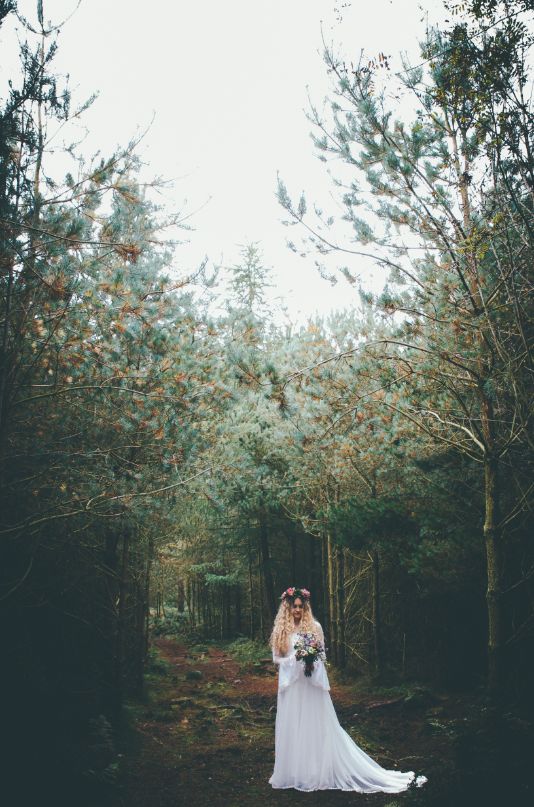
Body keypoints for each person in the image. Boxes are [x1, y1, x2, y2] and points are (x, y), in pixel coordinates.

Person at [268, 586, 427, 793]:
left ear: (305, 607)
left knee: (313, 725)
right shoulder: (282, 631)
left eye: (300, 606)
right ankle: (294, 771)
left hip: (309, 685)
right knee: (292, 725)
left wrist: (309, 660)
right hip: (291, 685)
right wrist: (293, 659)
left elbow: (322, 654)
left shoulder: (314, 627)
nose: (297, 610)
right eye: (293, 606)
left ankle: (315, 771)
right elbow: (276, 659)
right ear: (287, 607)